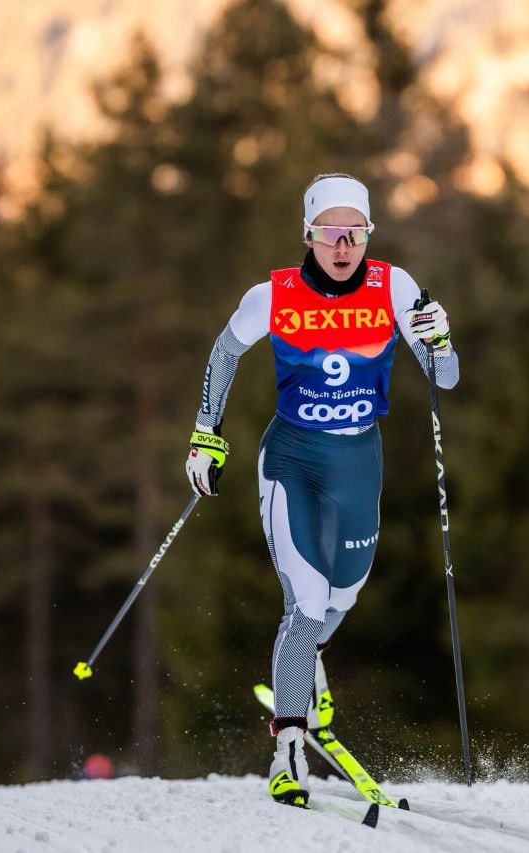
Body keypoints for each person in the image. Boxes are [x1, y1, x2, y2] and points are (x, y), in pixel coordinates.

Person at [184, 173, 459, 808]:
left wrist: (440, 338)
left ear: (368, 235)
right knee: (306, 604)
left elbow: (443, 379)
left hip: (360, 459)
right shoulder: (272, 294)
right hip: (293, 458)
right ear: (308, 235)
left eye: (355, 234)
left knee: (344, 593)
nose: (343, 247)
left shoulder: (395, 287)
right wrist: (207, 433)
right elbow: (224, 354)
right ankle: (287, 747)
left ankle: (305, 666)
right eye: (331, 235)